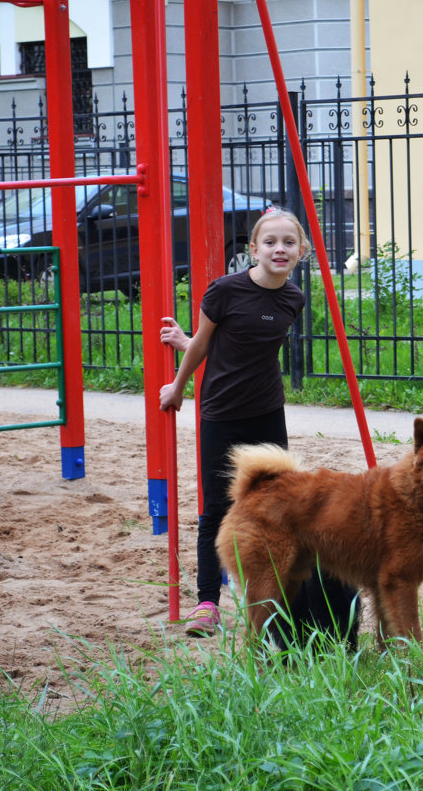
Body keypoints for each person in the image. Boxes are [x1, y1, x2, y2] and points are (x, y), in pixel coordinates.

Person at [159, 207, 359, 646]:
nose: (279, 249)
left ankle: (270, 594)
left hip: (267, 411)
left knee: (276, 506)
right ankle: (208, 603)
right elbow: (205, 345)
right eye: (270, 242)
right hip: (220, 412)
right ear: (253, 249)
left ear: (301, 251)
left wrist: (187, 343)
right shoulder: (224, 291)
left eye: (289, 242)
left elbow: (248, 345)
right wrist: (176, 386)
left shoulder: (293, 298)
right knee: (217, 509)